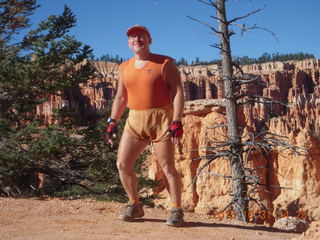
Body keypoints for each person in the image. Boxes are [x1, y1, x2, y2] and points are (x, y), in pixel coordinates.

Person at [106, 25, 185, 227]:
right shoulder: (124, 67)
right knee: (122, 164)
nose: (137, 40)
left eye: (141, 36)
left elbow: (177, 92)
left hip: (161, 119)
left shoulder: (165, 63)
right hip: (134, 120)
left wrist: (177, 120)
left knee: (167, 167)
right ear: (128, 43)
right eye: (132, 38)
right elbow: (121, 97)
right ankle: (134, 204)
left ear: (149, 39)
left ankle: (176, 208)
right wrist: (112, 121)